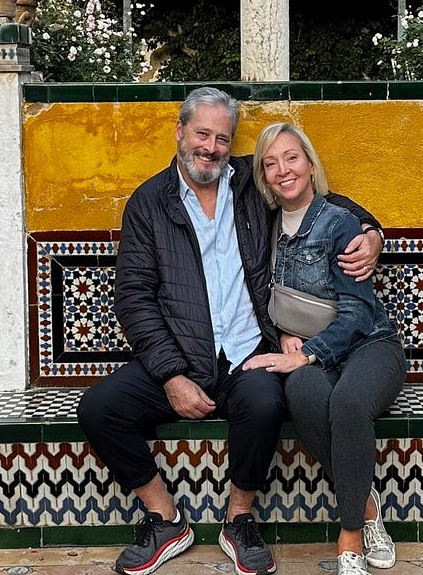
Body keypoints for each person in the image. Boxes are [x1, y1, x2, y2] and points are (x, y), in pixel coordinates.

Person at [77, 88, 384, 575]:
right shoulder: (148, 203)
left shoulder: (249, 182)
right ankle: (163, 518)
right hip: (181, 356)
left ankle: (239, 519)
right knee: (99, 409)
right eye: (202, 134)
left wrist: (370, 231)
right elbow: (133, 298)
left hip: (246, 352)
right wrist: (172, 376)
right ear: (180, 132)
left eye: (222, 138)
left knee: (265, 404)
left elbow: (315, 197)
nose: (212, 147)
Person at [243, 122, 406, 575]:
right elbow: (263, 297)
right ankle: (369, 506)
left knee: (349, 403)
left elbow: (356, 315)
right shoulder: (263, 226)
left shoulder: (340, 222)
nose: (283, 170)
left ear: (311, 164)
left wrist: (306, 352)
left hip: (370, 344)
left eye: (292, 157)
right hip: (307, 348)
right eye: (270, 163)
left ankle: (351, 533)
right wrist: (283, 338)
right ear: (262, 177)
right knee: (306, 396)